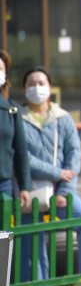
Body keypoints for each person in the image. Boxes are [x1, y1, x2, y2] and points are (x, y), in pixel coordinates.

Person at [20, 66, 81, 282]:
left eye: (41, 83)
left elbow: (74, 155)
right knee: (30, 239)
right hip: (28, 191)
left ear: (50, 87)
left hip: (61, 191)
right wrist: (57, 172)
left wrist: (64, 191)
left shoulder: (63, 118)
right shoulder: (17, 117)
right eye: (31, 84)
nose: (36, 88)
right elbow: (23, 158)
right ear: (23, 89)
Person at [0, 50, 31, 210]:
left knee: (5, 233)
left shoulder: (12, 109)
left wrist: (24, 186)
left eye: (0, 69)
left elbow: (21, 151)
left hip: (4, 185)